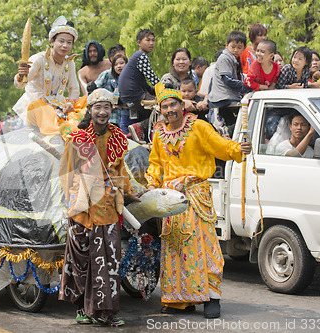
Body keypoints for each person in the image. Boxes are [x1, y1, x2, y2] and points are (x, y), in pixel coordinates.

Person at [145, 83, 251, 318]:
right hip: (170, 200)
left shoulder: (199, 127)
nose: (170, 109)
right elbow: (155, 162)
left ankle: (212, 298)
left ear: (182, 106)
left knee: (204, 247)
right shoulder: (159, 133)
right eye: (165, 106)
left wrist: (238, 149)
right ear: (161, 110)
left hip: (195, 196)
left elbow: (221, 146)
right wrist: (152, 184)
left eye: (173, 104)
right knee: (175, 249)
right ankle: (180, 300)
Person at [58, 88, 141, 327]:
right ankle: (84, 310)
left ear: (112, 110)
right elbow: (66, 172)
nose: (102, 112)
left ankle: (107, 312)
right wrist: (77, 197)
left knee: (109, 261)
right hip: (83, 210)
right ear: (90, 111)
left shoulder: (117, 137)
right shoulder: (77, 140)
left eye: (106, 107)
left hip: (107, 209)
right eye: (97, 108)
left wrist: (128, 191)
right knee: (84, 263)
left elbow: (120, 172)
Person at [13, 16, 82, 139]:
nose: (65, 45)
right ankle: (57, 135)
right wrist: (20, 76)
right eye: (61, 41)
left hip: (60, 107)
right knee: (46, 115)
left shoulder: (70, 63)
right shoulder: (39, 59)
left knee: (88, 103)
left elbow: (74, 88)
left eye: (69, 42)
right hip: (37, 108)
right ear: (52, 41)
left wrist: (71, 103)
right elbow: (20, 85)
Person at [118, 29, 160, 143]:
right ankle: (139, 128)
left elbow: (145, 83)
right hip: (135, 96)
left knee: (152, 113)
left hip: (129, 96)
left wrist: (153, 91)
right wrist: (166, 92)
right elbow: (153, 79)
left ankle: (145, 136)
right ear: (139, 42)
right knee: (164, 108)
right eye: (148, 40)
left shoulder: (137, 57)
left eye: (153, 40)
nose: (151, 43)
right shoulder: (141, 56)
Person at [208, 31, 252, 128]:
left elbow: (240, 76)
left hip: (229, 98)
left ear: (244, 48)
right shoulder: (224, 58)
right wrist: (246, 87)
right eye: (233, 47)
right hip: (223, 98)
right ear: (227, 45)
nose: (236, 50)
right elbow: (228, 79)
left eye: (239, 47)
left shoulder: (235, 59)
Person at [94, 53, 129, 130]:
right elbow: (94, 89)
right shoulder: (107, 74)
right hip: (110, 115)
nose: (119, 66)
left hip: (126, 114)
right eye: (116, 64)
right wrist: (108, 96)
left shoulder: (130, 78)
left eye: (121, 63)